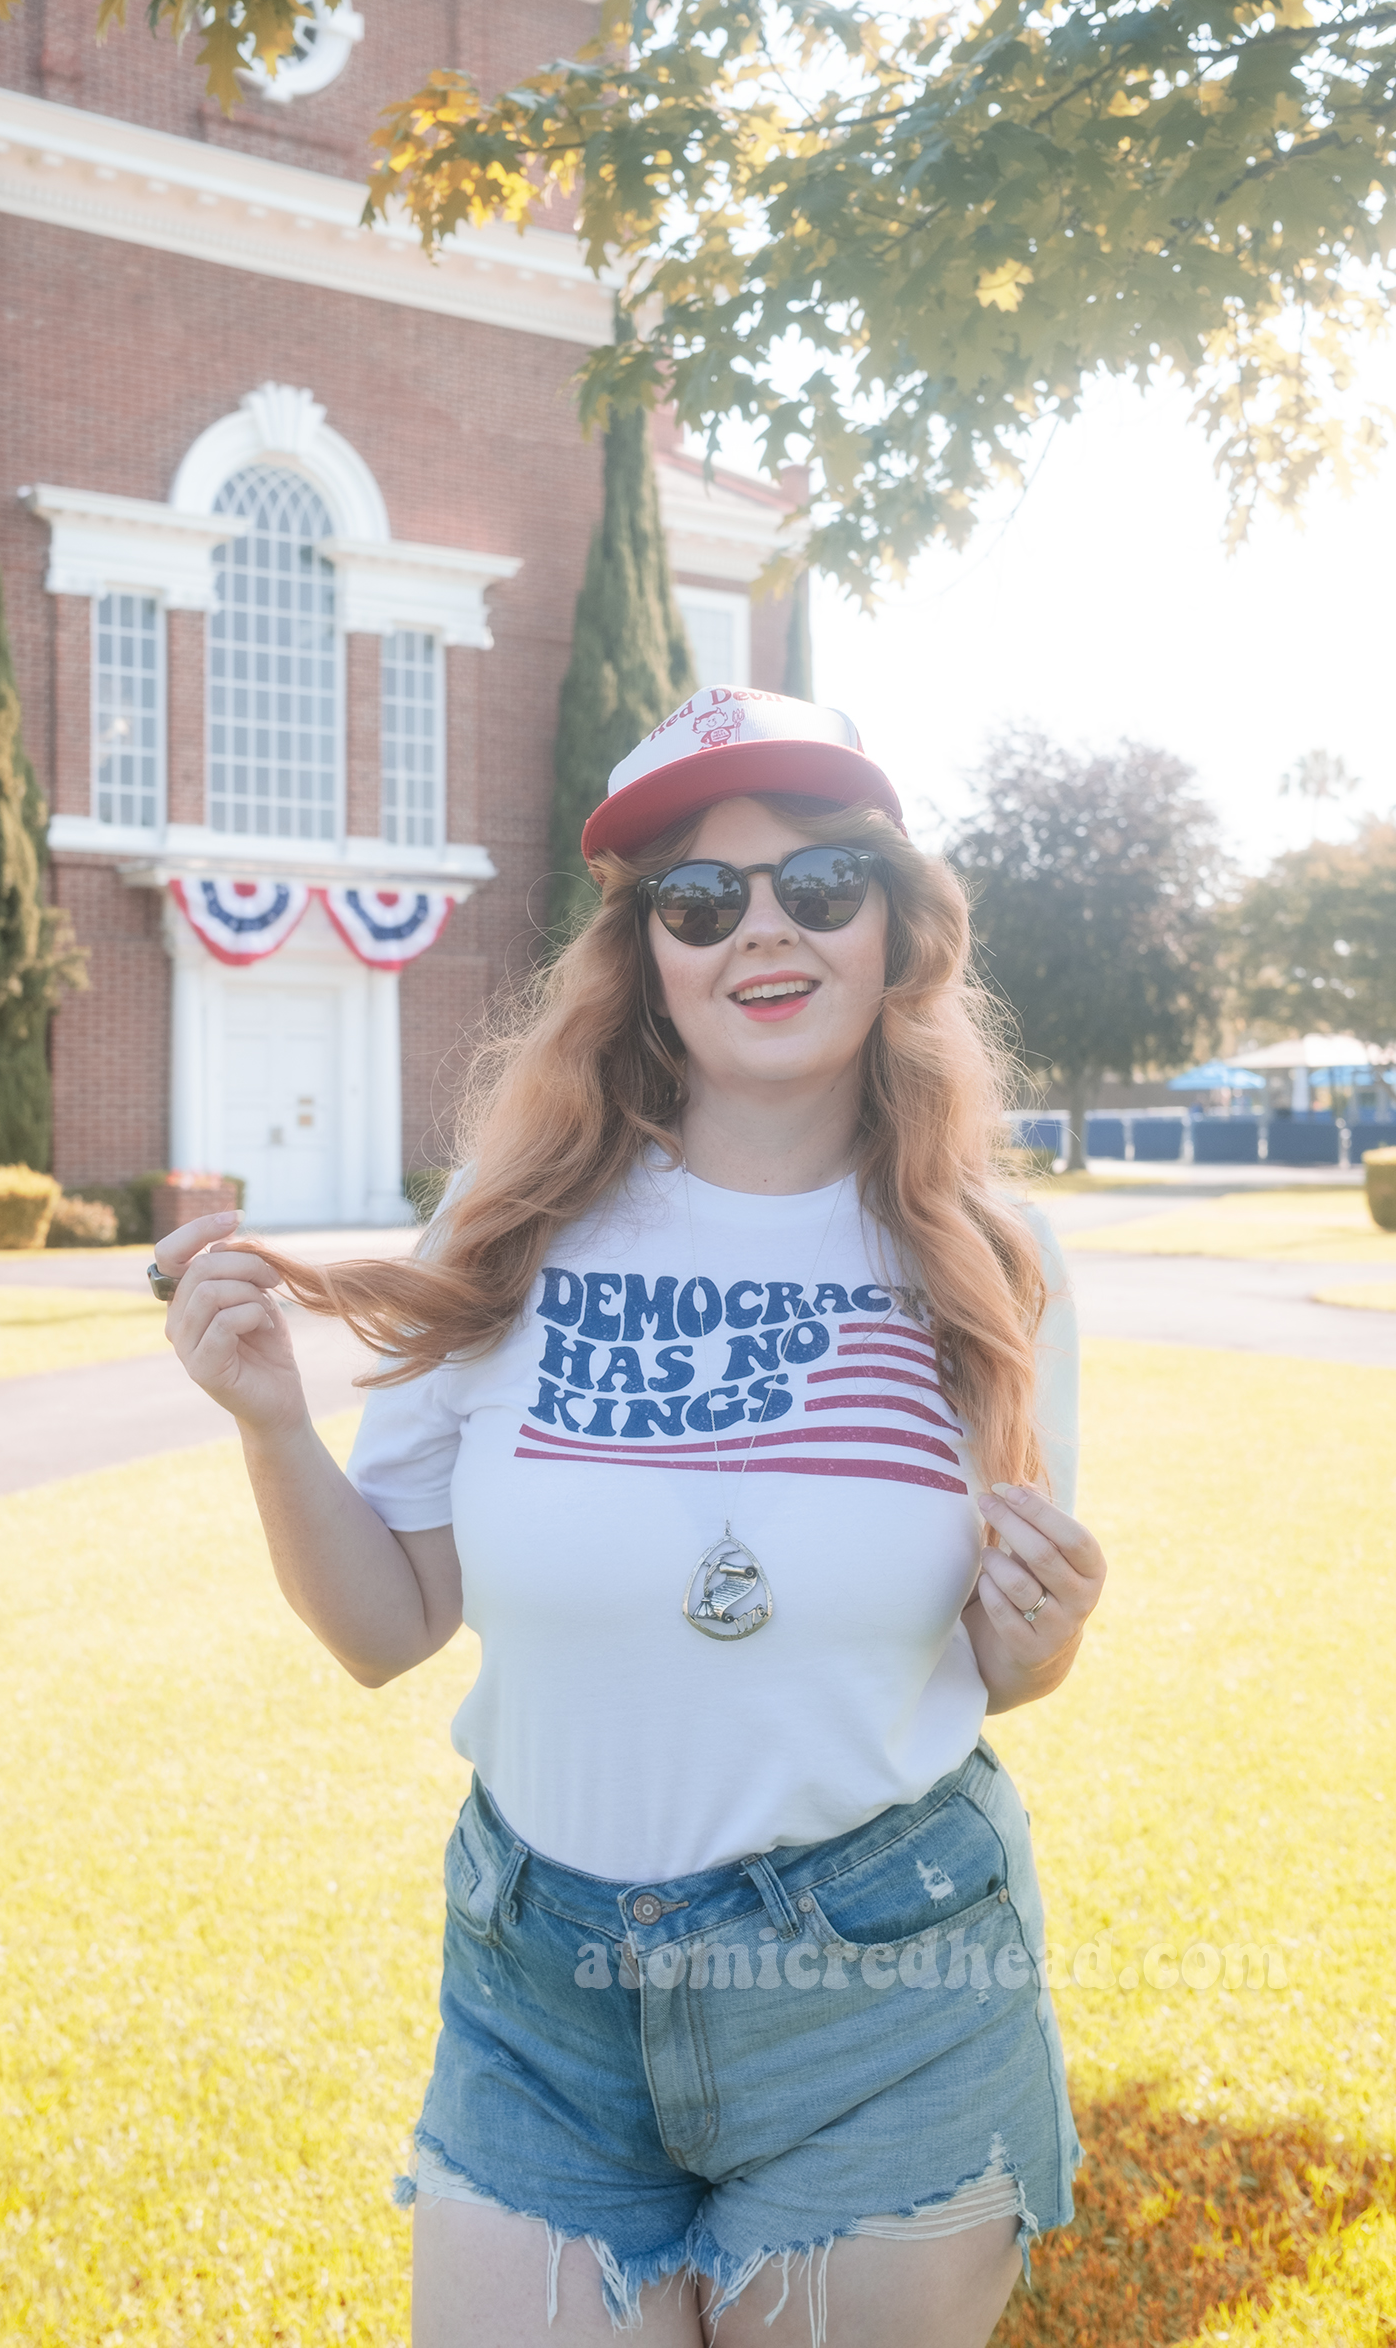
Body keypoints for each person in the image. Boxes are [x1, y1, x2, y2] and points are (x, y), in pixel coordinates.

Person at [152, 688, 1106, 2348]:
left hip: (881, 1984)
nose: (763, 931)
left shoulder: (989, 1259)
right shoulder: (514, 1222)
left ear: (894, 931)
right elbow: (385, 1631)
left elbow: (988, 1669)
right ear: (646, 951)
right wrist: (269, 1426)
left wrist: (1044, 1638)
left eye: (820, 885)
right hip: (544, 1997)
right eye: (699, 897)